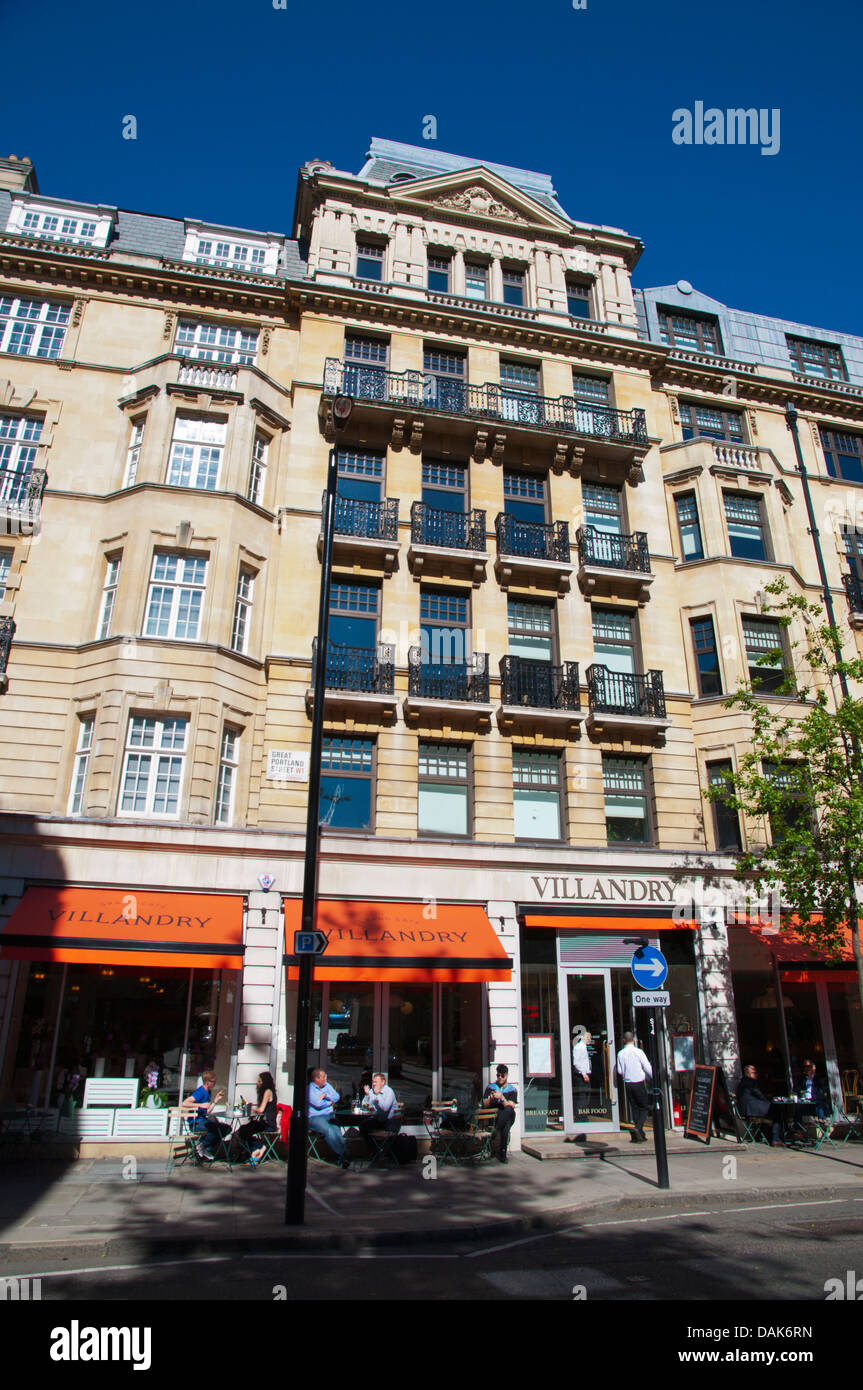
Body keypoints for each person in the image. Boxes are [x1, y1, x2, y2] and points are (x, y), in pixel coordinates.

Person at [181, 1069, 227, 1162]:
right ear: (207, 1082)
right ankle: (202, 1146)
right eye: (213, 1081)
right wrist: (200, 1105)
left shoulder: (208, 1092)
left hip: (203, 1120)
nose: (214, 1083)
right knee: (216, 1128)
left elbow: (208, 1110)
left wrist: (215, 1100)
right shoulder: (200, 1092)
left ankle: (204, 1149)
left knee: (226, 1129)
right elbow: (184, 1103)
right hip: (196, 1123)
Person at [308, 1068, 349, 1168]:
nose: (326, 1079)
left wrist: (325, 1096)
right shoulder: (309, 1089)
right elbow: (317, 1104)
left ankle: (342, 1157)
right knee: (328, 1129)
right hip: (315, 1117)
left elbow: (337, 1097)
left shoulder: (327, 1086)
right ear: (316, 1079)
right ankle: (343, 1155)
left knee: (336, 1130)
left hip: (329, 1115)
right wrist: (329, 1102)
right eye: (323, 1077)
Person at [616, 1031, 652, 1143]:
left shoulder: (620, 1054)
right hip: (639, 1082)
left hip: (628, 1083)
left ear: (624, 1041)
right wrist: (653, 1078)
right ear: (634, 1040)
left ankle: (640, 1133)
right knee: (644, 1107)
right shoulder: (638, 1052)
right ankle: (638, 1127)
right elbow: (647, 1066)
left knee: (635, 1107)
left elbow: (619, 1071)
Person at [237, 1071, 277, 1166]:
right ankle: (257, 1148)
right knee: (243, 1130)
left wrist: (249, 1109)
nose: (257, 1083)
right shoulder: (268, 1091)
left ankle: (259, 1147)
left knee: (243, 1131)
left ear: (264, 1082)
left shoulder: (268, 1092)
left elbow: (261, 1109)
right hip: (264, 1122)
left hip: (268, 1124)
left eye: (259, 1081)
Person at [736, 1064, 782, 1145]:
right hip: (751, 1110)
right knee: (776, 1111)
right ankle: (775, 1139)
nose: (756, 1075)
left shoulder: (742, 1082)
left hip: (745, 1110)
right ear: (748, 1073)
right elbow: (758, 1094)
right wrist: (767, 1100)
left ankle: (760, 1136)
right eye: (754, 1073)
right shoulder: (750, 1082)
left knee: (769, 1114)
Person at [358, 1072, 401, 1156]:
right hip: (379, 1119)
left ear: (383, 1082)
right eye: (373, 1082)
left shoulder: (389, 1092)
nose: (373, 1084)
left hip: (391, 1121)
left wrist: (377, 1095)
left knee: (384, 1136)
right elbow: (364, 1105)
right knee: (363, 1126)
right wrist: (367, 1095)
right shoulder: (372, 1091)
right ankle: (373, 1151)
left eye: (376, 1082)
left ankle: (380, 1152)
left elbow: (384, 1109)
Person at [483, 1064, 518, 1163]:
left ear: (507, 1076)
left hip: (508, 1114)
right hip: (495, 1116)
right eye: (498, 1075)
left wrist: (502, 1098)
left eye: (502, 1076)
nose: (500, 1078)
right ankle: (503, 1153)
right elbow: (484, 1105)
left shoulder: (512, 1090)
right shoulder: (491, 1087)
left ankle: (496, 1130)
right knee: (505, 1125)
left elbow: (511, 1106)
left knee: (508, 1110)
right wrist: (491, 1098)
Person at [569, 1027, 592, 1143]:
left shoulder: (582, 1047)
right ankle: (580, 1117)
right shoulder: (579, 1047)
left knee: (585, 1097)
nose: (590, 1039)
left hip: (584, 1074)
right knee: (582, 1097)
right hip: (581, 1075)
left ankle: (582, 1116)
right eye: (588, 1037)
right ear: (582, 1037)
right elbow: (577, 1062)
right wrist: (584, 1074)